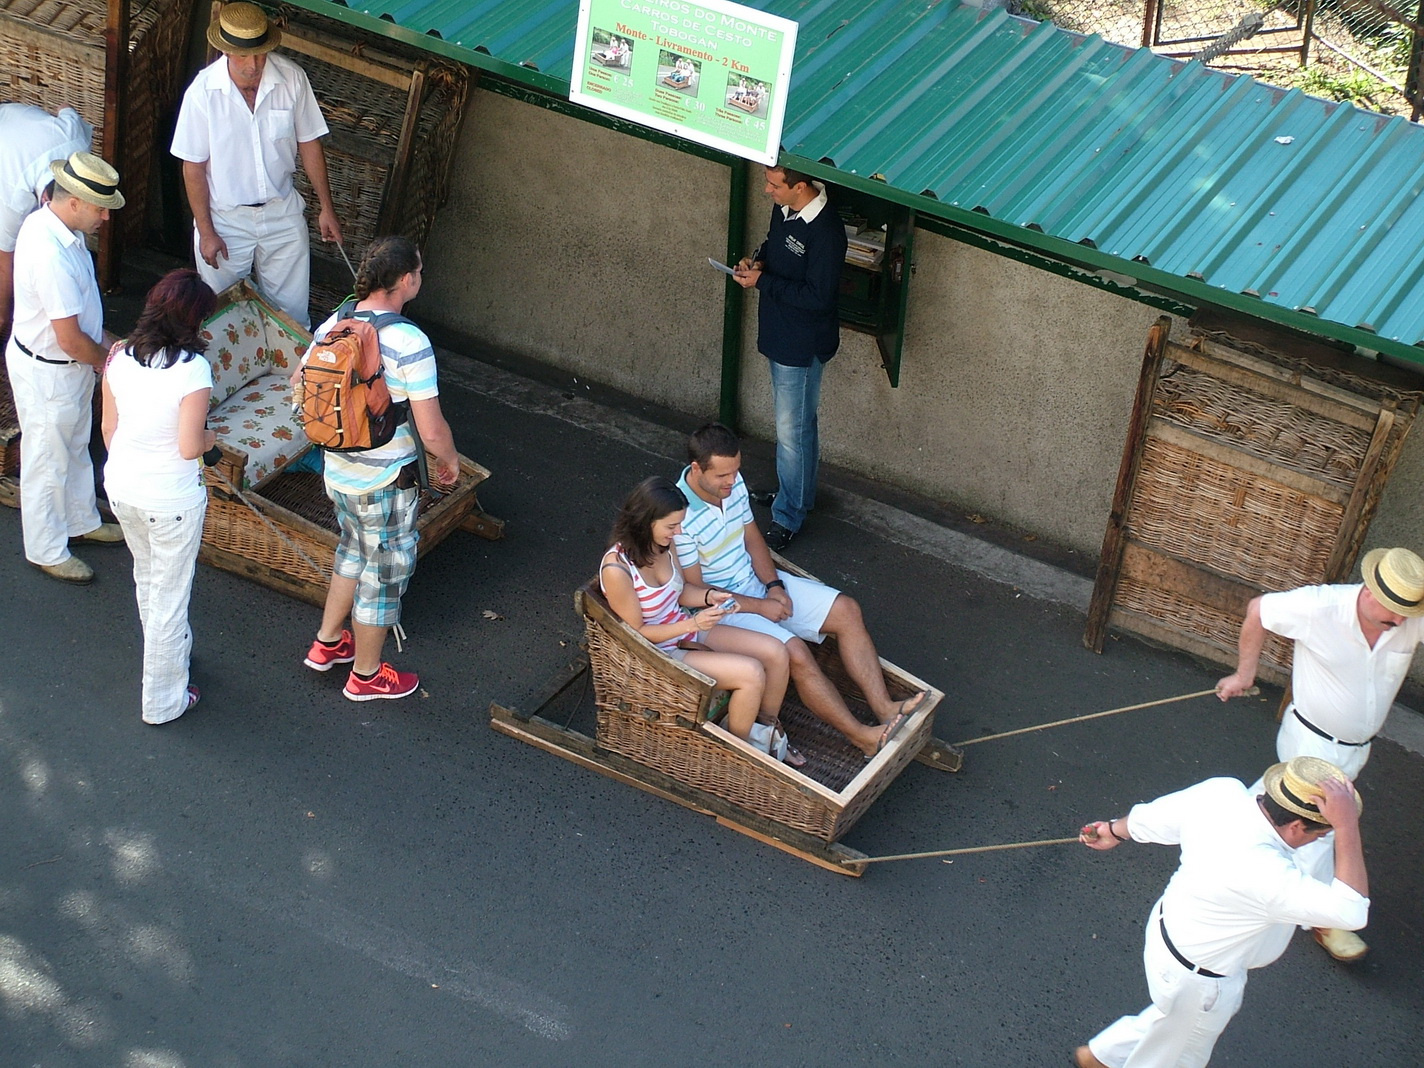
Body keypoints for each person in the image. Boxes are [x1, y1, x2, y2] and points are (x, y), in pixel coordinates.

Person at [1073, 756, 1369, 1068]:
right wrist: (1346, 825)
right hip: (1201, 982)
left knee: (1175, 1023)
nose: (1320, 839)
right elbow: (1352, 911)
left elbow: (1151, 819)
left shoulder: (1221, 794)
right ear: (1296, 825)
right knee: (1179, 1056)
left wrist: (1113, 831)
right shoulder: (1266, 873)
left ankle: (1103, 1056)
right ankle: (1106, 1056)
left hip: (1168, 936)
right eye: (1320, 834)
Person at [1215, 546, 1424, 962]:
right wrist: (1244, 674)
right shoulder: (1319, 606)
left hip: (1356, 750)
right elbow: (1259, 610)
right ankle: (1328, 920)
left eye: (1407, 613)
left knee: (1287, 814)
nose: (1400, 623)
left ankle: (1218, 840)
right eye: (1392, 613)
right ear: (1369, 591)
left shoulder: (1408, 618)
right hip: (1311, 743)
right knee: (1319, 828)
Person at [675, 423, 928, 757]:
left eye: (736, 471)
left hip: (755, 584)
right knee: (796, 653)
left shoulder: (729, 484)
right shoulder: (679, 515)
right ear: (696, 469)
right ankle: (862, 737)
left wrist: (775, 587)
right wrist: (761, 606)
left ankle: (885, 708)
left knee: (847, 610)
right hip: (722, 610)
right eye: (724, 475)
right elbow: (697, 589)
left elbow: (753, 540)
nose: (733, 481)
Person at [301, 235, 458, 701]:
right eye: (420, 272)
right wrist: (448, 461)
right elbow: (430, 430)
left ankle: (328, 643)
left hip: (338, 471)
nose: (421, 279)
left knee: (352, 551)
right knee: (382, 573)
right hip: (386, 477)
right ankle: (366, 675)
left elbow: (300, 380)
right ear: (407, 280)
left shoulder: (338, 320)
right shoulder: (409, 340)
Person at [600, 476, 802, 764]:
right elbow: (638, 634)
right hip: (659, 652)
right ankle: (734, 758)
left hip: (684, 630)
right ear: (645, 522)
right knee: (752, 674)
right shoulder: (617, 570)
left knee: (777, 653)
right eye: (672, 526)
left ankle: (765, 732)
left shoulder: (662, 544)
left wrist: (710, 597)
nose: (679, 531)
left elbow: (682, 593)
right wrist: (694, 624)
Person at [171, 1, 342, 329]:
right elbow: (192, 167)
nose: (253, 65)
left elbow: (309, 143)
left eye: (260, 54)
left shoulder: (292, 78)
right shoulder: (203, 92)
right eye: (243, 56)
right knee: (217, 320)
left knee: (292, 318)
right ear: (226, 51)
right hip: (226, 219)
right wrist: (206, 231)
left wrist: (326, 207)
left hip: (282, 213)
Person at [101, 270, 218, 724]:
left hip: (123, 488)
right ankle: (164, 701)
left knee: (147, 579)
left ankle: (169, 660)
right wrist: (210, 438)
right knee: (171, 598)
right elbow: (190, 446)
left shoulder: (119, 357)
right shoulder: (193, 370)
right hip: (171, 501)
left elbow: (109, 430)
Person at [5, 151, 125, 584]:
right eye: (100, 208)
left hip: (65, 368)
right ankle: (45, 547)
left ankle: (80, 521)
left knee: (74, 445)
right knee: (46, 459)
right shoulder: (50, 254)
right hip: (50, 370)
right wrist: (111, 362)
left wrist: (109, 348)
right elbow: (70, 339)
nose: (105, 218)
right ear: (74, 201)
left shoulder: (55, 227)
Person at [733, 163, 848, 551]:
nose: (768, 191)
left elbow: (818, 298)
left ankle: (788, 516)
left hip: (801, 344)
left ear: (800, 187)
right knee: (800, 425)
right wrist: (758, 262)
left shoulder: (827, 233)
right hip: (780, 334)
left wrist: (763, 282)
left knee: (791, 434)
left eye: (773, 185)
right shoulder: (786, 209)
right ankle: (796, 495)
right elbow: (773, 244)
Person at [0, 103, 94, 342]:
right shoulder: (13, 195)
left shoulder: (77, 138)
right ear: (44, 198)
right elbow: (4, 258)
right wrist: (2, 318)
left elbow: (66, 108)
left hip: (23, 128)